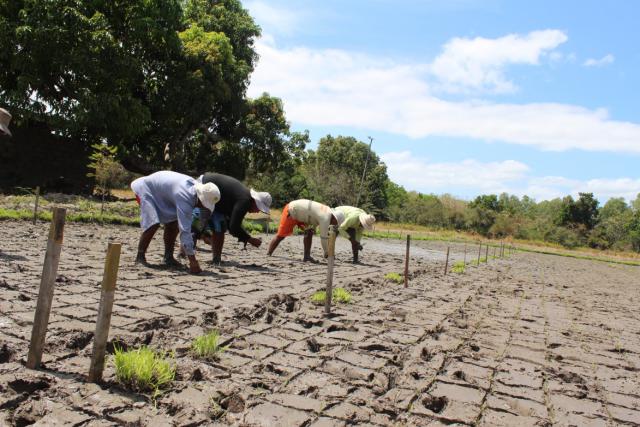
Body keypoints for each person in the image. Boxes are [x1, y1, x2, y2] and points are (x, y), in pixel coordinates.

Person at [131, 171, 220, 274]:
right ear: (200, 198)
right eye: (204, 204)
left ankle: (168, 257)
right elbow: (185, 231)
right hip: (146, 189)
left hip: (163, 194)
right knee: (153, 223)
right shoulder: (185, 197)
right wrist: (193, 261)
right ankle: (140, 257)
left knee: (173, 223)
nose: (202, 207)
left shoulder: (193, 191)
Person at [198, 173, 271, 265]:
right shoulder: (244, 201)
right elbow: (234, 227)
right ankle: (184, 254)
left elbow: (232, 222)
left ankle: (216, 259)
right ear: (255, 201)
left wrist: (245, 237)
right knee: (197, 227)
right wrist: (249, 239)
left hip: (217, 202)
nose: (257, 212)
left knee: (220, 226)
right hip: (205, 188)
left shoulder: (244, 198)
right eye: (259, 208)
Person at [267, 199, 345, 262]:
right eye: (336, 223)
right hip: (292, 210)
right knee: (281, 235)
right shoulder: (326, 217)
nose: (334, 225)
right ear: (335, 218)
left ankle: (306, 257)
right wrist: (327, 253)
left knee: (309, 232)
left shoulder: (327, 211)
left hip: (303, 215)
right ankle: (269, 253)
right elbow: (323, 237)